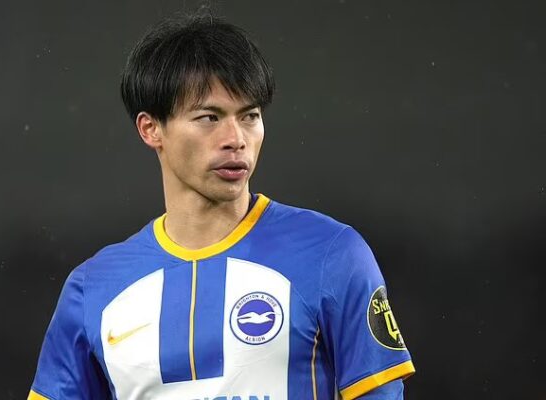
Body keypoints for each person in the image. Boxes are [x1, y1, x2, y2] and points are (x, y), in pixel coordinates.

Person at [28, 11, 414, 400]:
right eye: (209, 117)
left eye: (250, 116)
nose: (236, 138)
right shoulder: (93, 289)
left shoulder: (332, 255)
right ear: (151, 129)